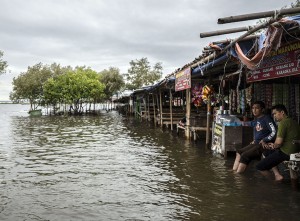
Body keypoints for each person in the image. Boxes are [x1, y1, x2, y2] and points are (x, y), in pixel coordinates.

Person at [256, 104, 300, 181]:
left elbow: (278, 143)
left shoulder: (282, 123)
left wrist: (273, 145)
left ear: (282, 112)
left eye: (275, 113)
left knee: (259, 167)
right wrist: (274, 145)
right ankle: (278, 175)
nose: (274, 116)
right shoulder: (293, 121)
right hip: (296, 150)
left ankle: (275, 183)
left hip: (286, 152)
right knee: (267, 153)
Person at [232, 101, 277, 173]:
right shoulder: (257, 119)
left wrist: (265, 139)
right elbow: (252, 124)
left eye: (257, 108)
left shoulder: (267, 118)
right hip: (256, 143)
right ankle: (234, 172)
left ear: (262, 109)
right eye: (253, 108)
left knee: (244, 156)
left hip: (263, 144)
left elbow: (274, 131)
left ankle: (238, 177)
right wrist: (240, 123)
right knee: (239, 152)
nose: (254, 110)